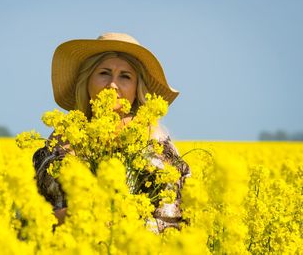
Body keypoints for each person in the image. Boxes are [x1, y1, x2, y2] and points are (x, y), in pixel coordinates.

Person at [33, 32, 190, 233]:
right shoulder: (61, 137)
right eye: (104, 73)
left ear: (136, 88)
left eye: (125, 76)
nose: (112, 85)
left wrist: (116, 223)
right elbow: (34, 211)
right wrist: (72, 217)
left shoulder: (155, 140)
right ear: (87, 80)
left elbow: (173, 222)